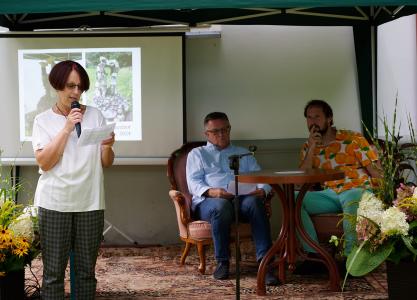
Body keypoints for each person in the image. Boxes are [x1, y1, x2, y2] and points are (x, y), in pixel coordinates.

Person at [32, 60, 115, 299]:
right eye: (70, 86)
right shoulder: (43, 120)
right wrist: (67, 127)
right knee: (53, 274)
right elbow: (45, 162)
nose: (76, 92)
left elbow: (106, 162)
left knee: (86, 272)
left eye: (80, 87)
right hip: (55, 202)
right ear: (56, 87)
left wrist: (108, 146)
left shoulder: (96, 115)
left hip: (90, 201)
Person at [186, 112, 278, 285]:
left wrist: (262, 190)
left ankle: (265, 264)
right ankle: (223, 262)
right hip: (210, 201)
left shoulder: (243, 153)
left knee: (255, 203)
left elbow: (261, 177)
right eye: (216, 131)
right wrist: (215, 192)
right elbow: (193, 184)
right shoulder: (197, 154)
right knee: (221, 207)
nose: (222, 134)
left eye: (225, 129)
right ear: (207, 134)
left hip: (240, 198)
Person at [298, 99, 380, 257]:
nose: (312, 122)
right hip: (330, 194)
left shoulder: (353, 139)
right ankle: (314, 256)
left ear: (329, 119)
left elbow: (376, 171)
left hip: (357, 190)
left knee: (352, 196)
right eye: (309, 117)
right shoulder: (308, 147)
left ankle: (351, 258)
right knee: (294, 199)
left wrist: (382, 197)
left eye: (317, 117)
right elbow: (302, 179)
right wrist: (312, 148)